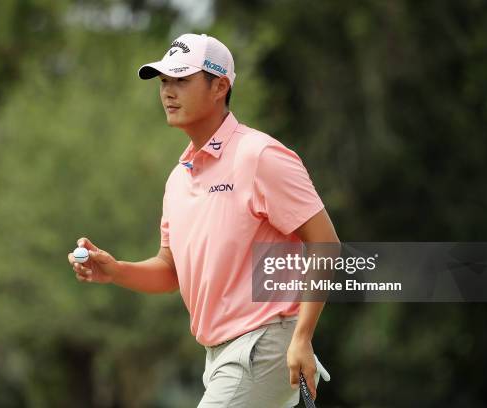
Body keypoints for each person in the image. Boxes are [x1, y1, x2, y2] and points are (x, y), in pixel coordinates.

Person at [68, 33, 339, 407]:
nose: (168, 91)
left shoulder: (259, 155)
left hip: (263, 345)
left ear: (220, 86)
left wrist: (302, 337)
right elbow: (170, 271)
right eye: (164, 81)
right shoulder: (179, 178)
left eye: (182, 80)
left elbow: (324, 241)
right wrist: (116, 270)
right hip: (217, 357)